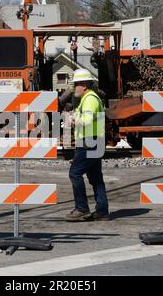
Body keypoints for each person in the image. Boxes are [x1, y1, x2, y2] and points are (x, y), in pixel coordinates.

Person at [66, 69, 110, 222]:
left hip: (89, 142)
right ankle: (102, 211)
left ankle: (82, 208)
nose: (73, 88)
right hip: (94, 141)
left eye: (75, 85)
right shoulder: (89, 98)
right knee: (96, 178)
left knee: (75, 174)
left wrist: (72, 120)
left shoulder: (89, 99)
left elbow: (88, 120)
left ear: (83, 85)